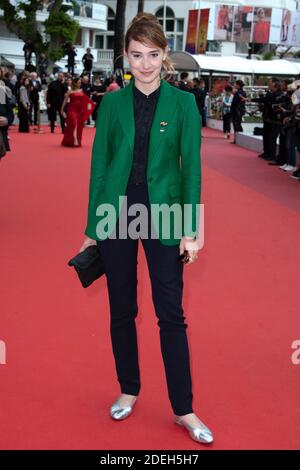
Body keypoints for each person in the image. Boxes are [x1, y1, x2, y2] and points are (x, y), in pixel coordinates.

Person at [79, 12, 213, 445]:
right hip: (116, 211)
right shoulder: (113, 102)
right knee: (121, 308)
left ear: (164, 55)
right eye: (136, 55)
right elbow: (100, 167)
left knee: (171, 313)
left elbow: (190, 169)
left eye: (153, 55)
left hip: (167, 212)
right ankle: (129, 388)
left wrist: (192, 229)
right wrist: (91, 226)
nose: (146, 64)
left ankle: (184, 408)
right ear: (125, 56)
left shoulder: (184, 103)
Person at [60, 77, 95, 147]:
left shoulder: (81, 90)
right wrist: (62, 109)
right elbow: (65, 100)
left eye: (80, 83)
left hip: (79, 111)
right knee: (74, 123)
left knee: (79, 125)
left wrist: (91, 104)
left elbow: (86, 100)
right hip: (71, 110)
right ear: (75, 83)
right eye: (79, 83)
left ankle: (71, 140)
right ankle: (75, 139)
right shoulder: (70, 91)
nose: (80, 84)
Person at [231, 80, 247, 144]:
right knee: (237, 124)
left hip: (238, 111)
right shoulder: (240, 92)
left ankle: (239, 139)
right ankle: (237, 139)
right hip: (238, 110)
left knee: (237, 125)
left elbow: (237, 103)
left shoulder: (240, 93)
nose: (234, 85)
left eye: (235, 84)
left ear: (238, 85)